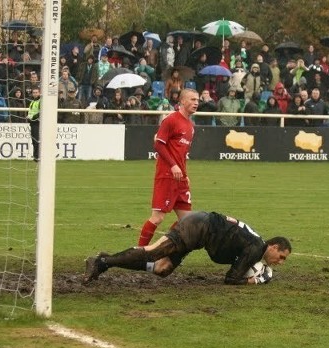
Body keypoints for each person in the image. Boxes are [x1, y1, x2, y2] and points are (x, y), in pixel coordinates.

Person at [84, 211, 291, 286]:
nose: (280, 262)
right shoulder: (255, 248)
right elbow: (231, 279)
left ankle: (106, 259)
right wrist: (256, 280)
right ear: (273, 246)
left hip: (200, 231)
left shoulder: (255, 245)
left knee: (162, 268)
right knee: (154, 252)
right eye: (281, 257)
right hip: (198, 226)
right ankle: (101, 262)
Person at [137, 88, 199, 247]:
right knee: (158, 217)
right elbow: (159, 144)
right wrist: (173, 166)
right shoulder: (171, 120)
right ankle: (139, 252)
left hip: (180, 178)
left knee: (187, 221)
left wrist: (185, 174)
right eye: (192, 99)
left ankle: (160, 249)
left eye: (197, 100)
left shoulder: (191, 127)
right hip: (167, 175)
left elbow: (181, 154)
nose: (196, 103)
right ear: (183, 101)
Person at [27, 86, 41, 161]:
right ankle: (35, 156)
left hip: (38, 123)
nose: (35, 94)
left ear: (39, 93)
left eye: (36, 92)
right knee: (34, 140)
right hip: (32, 123)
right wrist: (28, 117)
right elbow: (30, 111)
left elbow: (41, 112)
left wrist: (32, 117)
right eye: (34, 93)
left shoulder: (40, 101)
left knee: (37, 140)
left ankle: (38, 156)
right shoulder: (32, 101)